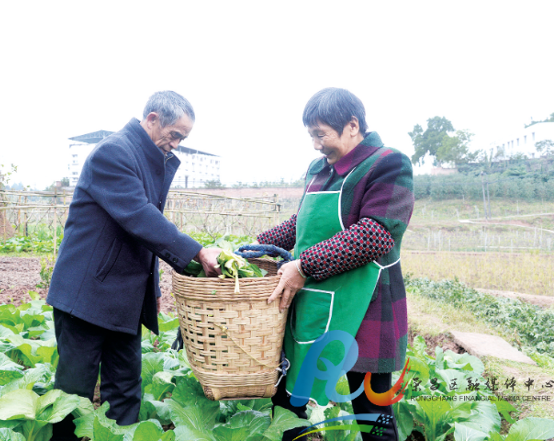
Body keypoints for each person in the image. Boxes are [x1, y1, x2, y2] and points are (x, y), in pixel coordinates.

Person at [46, 91, 220, 441]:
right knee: (73, 393)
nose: (176, 144)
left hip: (122, 297)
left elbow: (144, 234)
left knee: (126, 388)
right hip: (87, 295)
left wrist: (151, 290)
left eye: (182, 139)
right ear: (152, 118)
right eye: (174, 135)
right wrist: (196, 251)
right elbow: (140, 218)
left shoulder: (150, 156)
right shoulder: (114, 153)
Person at [259, 88, 414, 441]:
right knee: (288, 400)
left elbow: (375, 234)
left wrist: (303, 266)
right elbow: (303, 223)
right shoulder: (320, 169)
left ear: (352, 126)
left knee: (371, 409)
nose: (316, 144)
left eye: (320, 134)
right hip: (314, 300)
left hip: (367, 302)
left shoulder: (387, 164)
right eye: (311, 135)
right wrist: (257, 246)